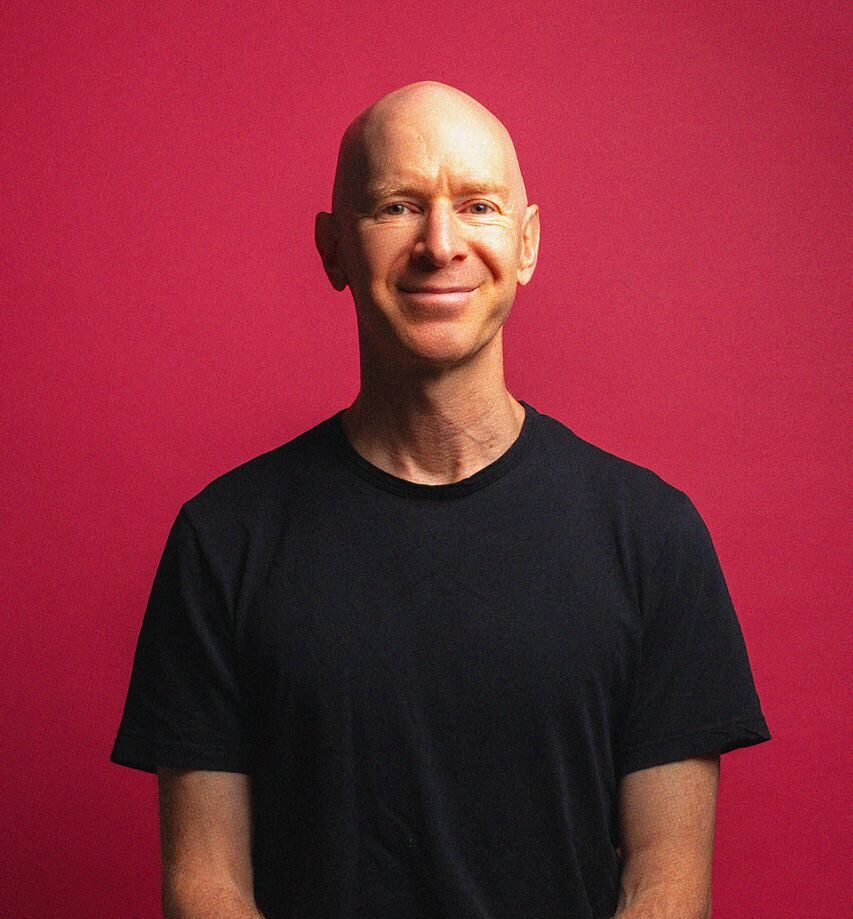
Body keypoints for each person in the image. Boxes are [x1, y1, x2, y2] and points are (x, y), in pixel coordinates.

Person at [111, 81, 770, 919]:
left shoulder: (651, 538)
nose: (441, 243)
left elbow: (664, 887)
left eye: (479, 205)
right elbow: (205, 885)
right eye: (396, 206)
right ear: (333, 248)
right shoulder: (224, 539)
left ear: (526, 244)